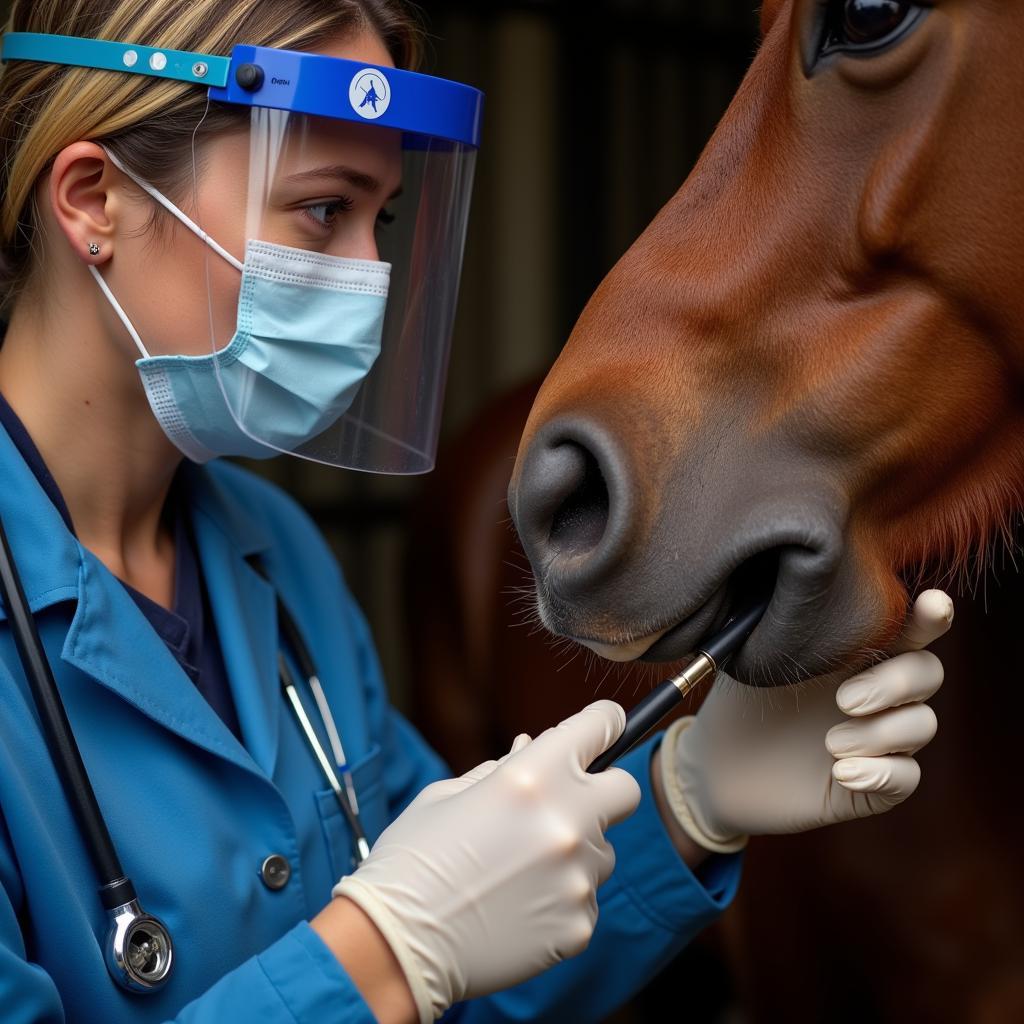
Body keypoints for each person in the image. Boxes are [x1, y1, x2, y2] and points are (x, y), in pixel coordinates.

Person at [0, 1, 950, 1021]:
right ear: (95, 200)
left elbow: (469, 960)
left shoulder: (277, 560)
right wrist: (388, 952)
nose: (369, 272)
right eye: (323, 209)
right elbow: (417, 947)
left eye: (384, 219)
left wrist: (686, 799)